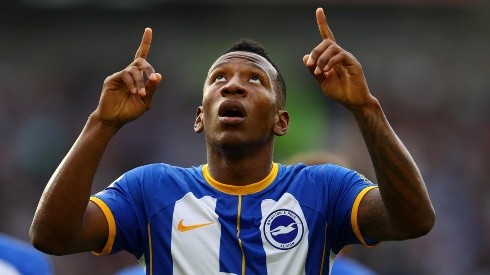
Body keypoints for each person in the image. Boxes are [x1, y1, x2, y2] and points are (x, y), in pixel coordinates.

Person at [29, 7, 435, 274]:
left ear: (281, 121)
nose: (233, 87)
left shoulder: (322, 188)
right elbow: (52, 236)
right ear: (199, 116)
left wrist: (366, 108)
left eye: (254, 80)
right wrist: (101, 124)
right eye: (219, 79)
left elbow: (414, 219)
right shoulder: (151, 191)